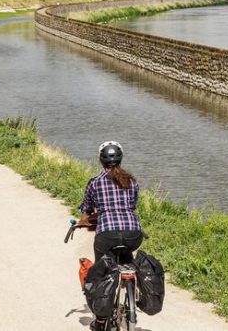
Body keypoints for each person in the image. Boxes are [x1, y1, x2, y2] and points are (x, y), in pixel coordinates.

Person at [76, 141, 142, 331]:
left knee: (102, 272)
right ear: (121, 159)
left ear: (100, 160)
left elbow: (87, 211)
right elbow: (132, 205)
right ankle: (131, 284)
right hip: (133, 233)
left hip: (107, 234)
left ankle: (101, 320)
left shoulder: (95, 182)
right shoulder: (132, 181)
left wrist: (82, 223)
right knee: (127, 257)